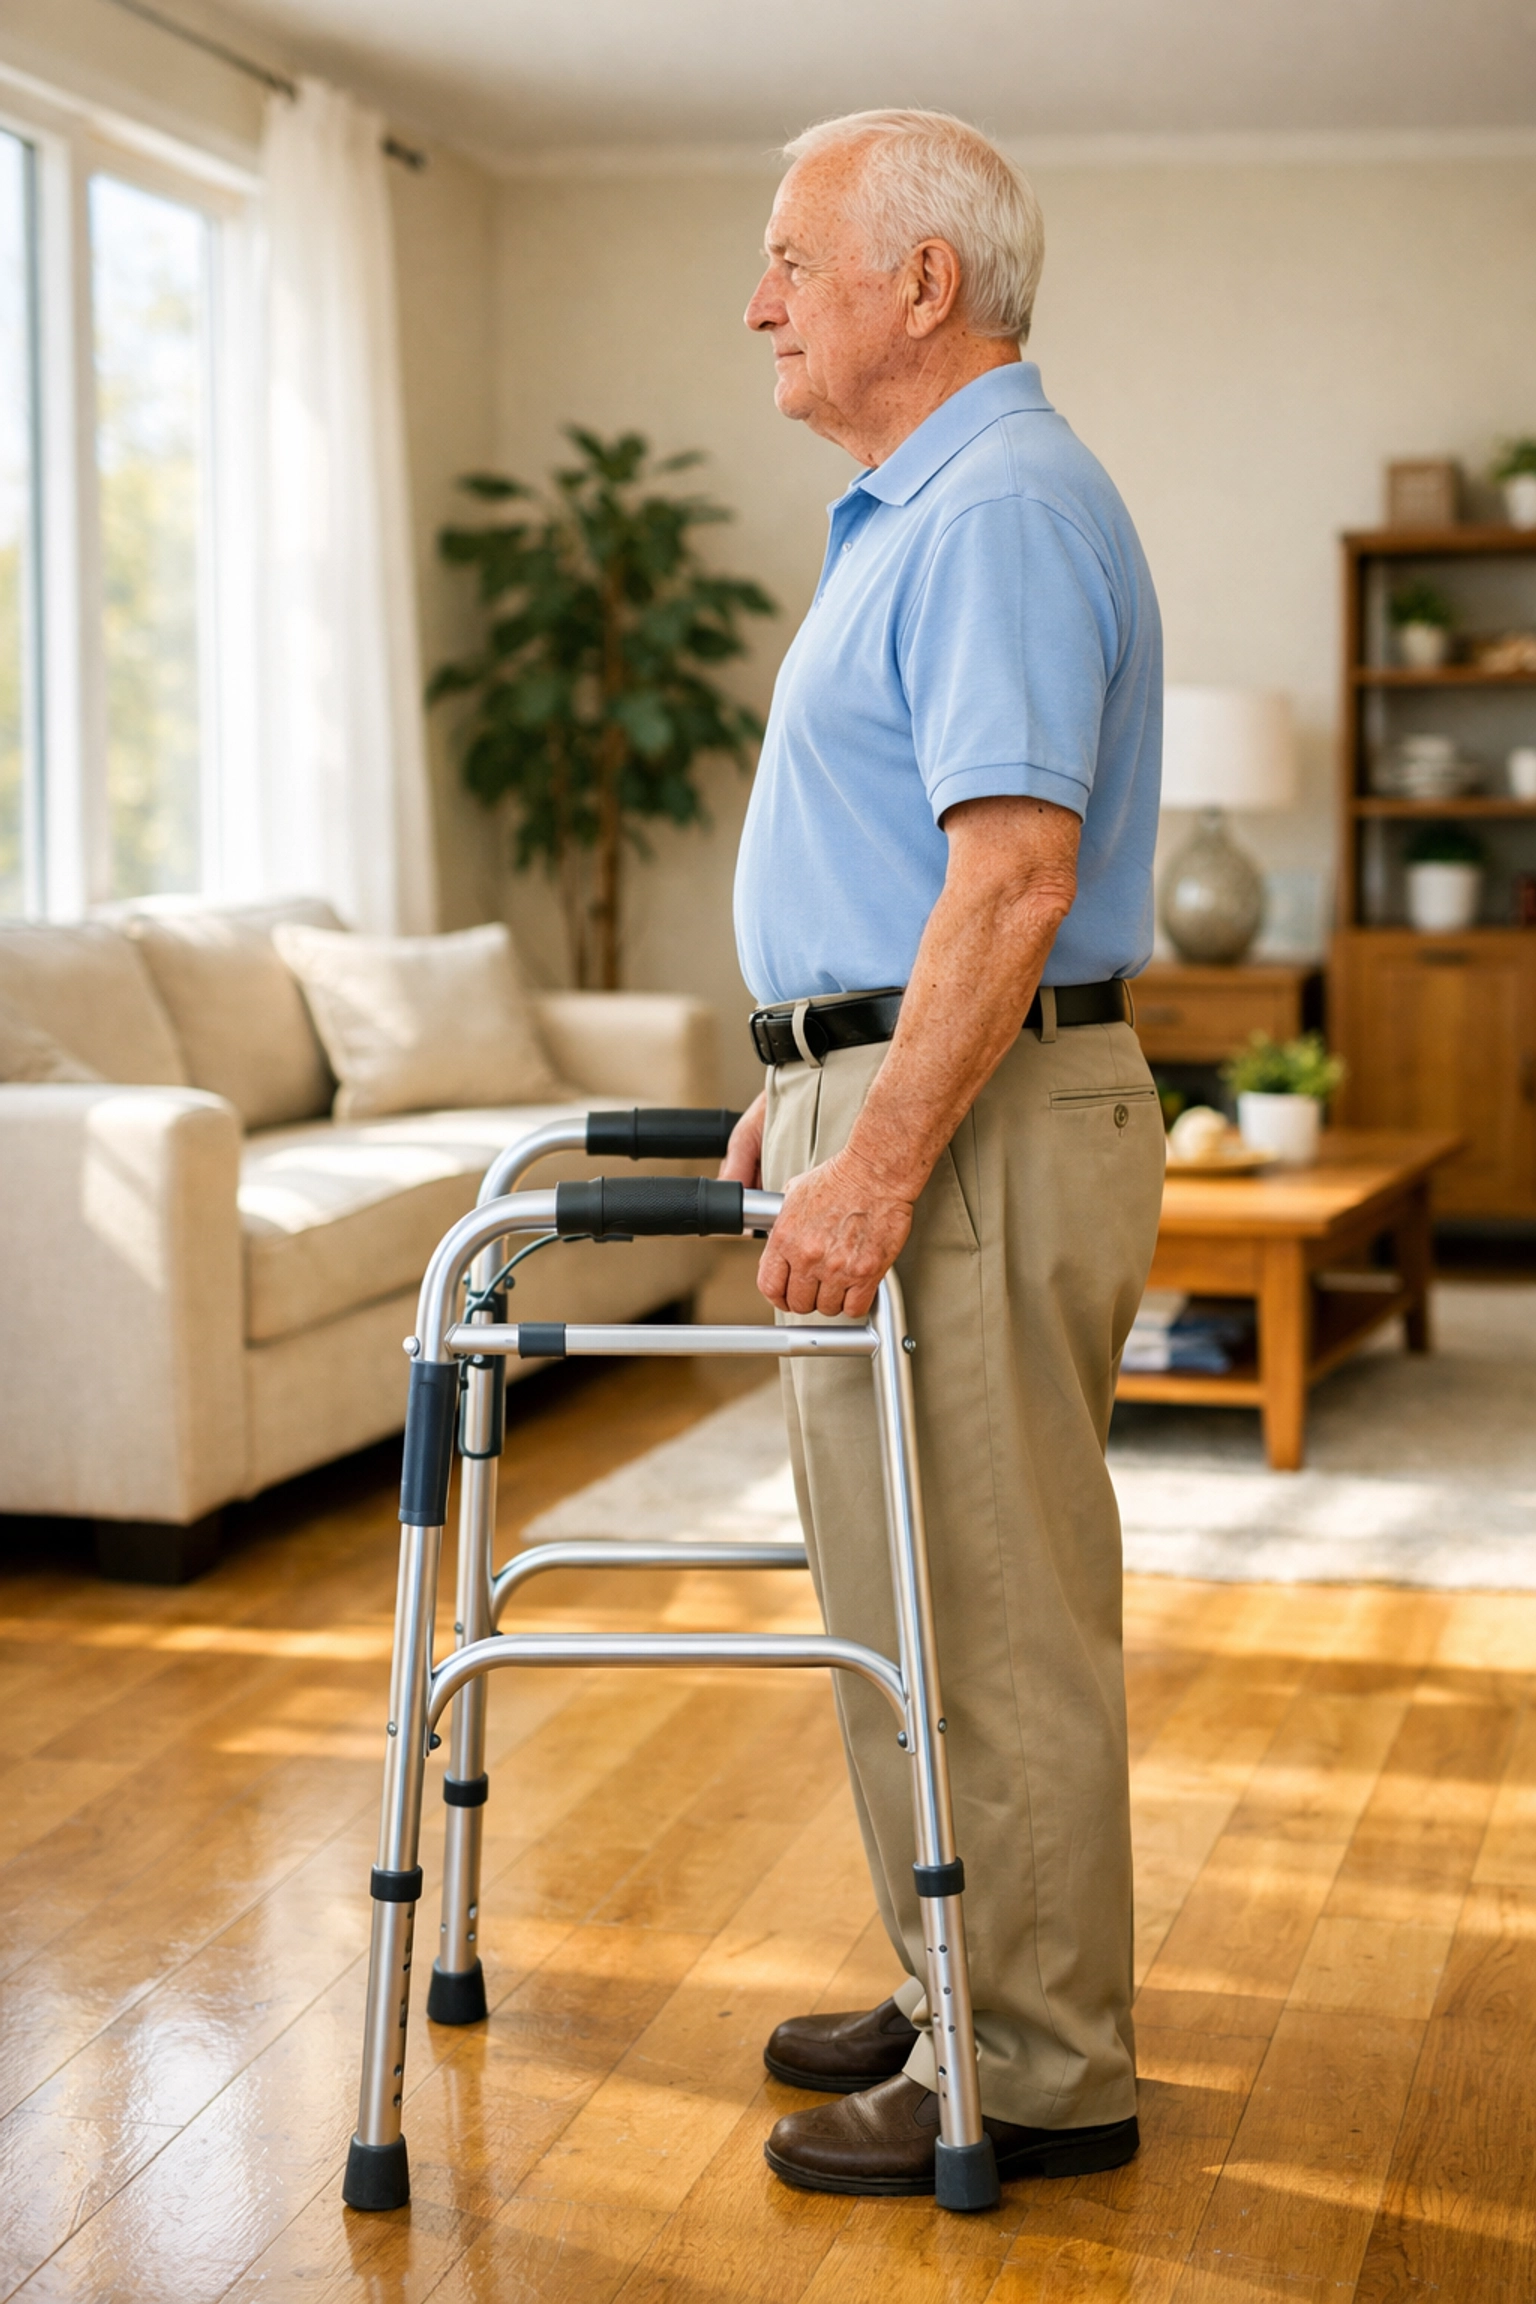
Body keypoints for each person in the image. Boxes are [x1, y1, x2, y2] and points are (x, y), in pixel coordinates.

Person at [721, 109, 1166, 2200]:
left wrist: (878, 1153)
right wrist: (804, 1073)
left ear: (922, 283)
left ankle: (1045, 2068)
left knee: (987, 1613)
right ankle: (954, 1974)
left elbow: (1012, 881)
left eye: (792, 259)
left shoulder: (993, 503)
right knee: (909, 1597)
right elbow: (911, 868)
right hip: (904, 1088)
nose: (759, 302)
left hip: (970, 1127)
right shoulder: (926, 507)